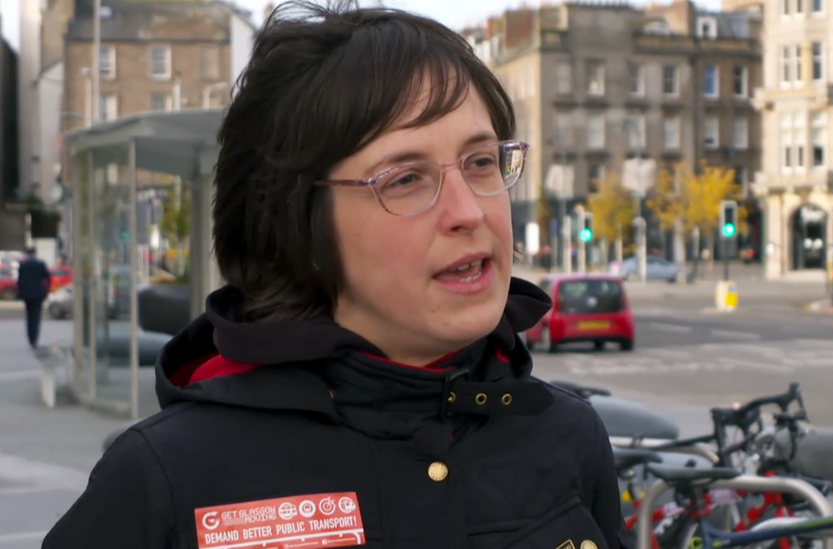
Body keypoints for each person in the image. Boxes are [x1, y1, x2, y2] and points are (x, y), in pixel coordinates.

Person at [42, 2, 629, 548]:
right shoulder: (165, 478)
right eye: (404, 178)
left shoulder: (566, 436)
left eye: (481, 162)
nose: (470, 212)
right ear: (298, 225)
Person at [16, 246, 50, 349]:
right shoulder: (40, 264)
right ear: (35, 253)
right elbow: (48, 278)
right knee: (36, 317)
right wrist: (46, 291)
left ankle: (30, 338)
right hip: (38, 294)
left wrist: (21, 292)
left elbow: (19, 281)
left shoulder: (23, 265)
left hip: (27, 294)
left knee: (29, 316)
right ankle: (34, 339)